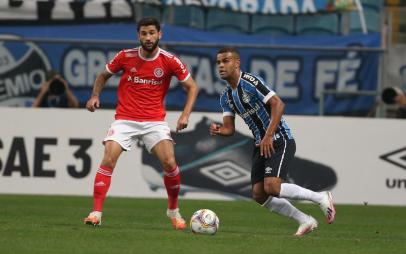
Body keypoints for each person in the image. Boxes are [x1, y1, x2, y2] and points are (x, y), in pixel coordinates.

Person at [83, 17, 198, 230]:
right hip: (125, 119)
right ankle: (96, 212)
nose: (148, 37)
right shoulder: (125, 56)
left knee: (170, 163)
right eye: (144, 33)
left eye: (152, 33)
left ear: (159, 34)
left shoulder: (169, 60)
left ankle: (173, 210)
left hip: (154, 121)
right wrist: (94, 96)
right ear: (138, 36)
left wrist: (185, 115)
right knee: (108, 158)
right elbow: (103, 75)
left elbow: (192, 87)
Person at [210, 47, 336, 236]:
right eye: (218, 62)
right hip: (261, 144)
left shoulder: (250, 82)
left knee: (272, 187)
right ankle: (305, 220)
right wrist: (219, 130)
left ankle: (320, 197)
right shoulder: (226, 97)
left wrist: (268, 135)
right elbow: (230, 128)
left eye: (226, 61)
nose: (221, 65)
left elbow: (278, 103)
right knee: (259, 194)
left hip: (279, 138)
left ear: (237, 63)